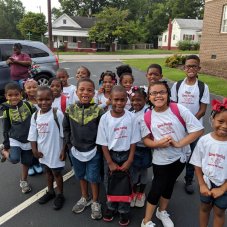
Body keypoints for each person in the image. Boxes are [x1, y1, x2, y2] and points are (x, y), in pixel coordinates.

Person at [140, 81, 204, 227]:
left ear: (168, 94)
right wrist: (158, 144)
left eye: (161, 92)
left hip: (180, 157)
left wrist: (179, 143)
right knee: (157, 188)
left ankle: (161, 211)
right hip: (161, 160)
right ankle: (146, 221)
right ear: (149, 97)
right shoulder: (147, 117)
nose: (158, 96)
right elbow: (146, 141)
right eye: (154, 93)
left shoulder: (178, 109)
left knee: (169, 185)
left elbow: (198, 129)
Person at [96, 85, 140, 226]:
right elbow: (103, 143)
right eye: (116, 100)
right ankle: (111, 207)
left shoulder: (131, 117)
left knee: (126, 183)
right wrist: (109, 162)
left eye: (122, 100)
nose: (119, 103)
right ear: (110, 99)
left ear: (127, 99)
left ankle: (123, 210)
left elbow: (133, 140)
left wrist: (130, 159)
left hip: (127, 155)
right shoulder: (104, 118)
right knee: (109, 182)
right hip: (111, 155)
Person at [63, 78, 104, 220]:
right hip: (75, 150)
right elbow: (66, 128)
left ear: (94, 93)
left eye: (89, 90)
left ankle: (95, 201)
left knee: (93, 177)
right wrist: (69, 144)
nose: (85, 92)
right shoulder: (70, 109)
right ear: (76, 92)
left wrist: (99, 148)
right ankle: (84, 197)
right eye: (82, 89)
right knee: (80, 175)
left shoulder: (99, 110)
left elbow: (103, 131)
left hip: (93, 151)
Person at [171, 55, 210, 194]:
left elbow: (203, 110)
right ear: (184, 68)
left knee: (193, 154)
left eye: (194, 66)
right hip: (179, 126)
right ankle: (173, 175)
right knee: (176, 151)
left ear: (199, 68)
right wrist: (181, 122)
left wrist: (190, 122)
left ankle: (189, 179)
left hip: (194, 128)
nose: (191, 68)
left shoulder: (202, 87)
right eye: (188, 66)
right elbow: (173, 106)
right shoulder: (178, 85)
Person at [190, 98, 227, 227]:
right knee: (204, 208)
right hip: (206, 182)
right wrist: (202, 184)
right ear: (212, 120)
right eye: (221, 121)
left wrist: (222, 188)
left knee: (219, 212)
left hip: (224, 185)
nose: (224, 126)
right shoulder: (204, 140)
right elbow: (197, 163)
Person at [28, 86, 66, 210]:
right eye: (40, 99)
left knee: (57, 173)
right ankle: (50, 192)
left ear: (53, 99)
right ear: (35, 99)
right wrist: (34, 150)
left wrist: (63, 150)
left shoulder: (57, 114)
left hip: (56, 151)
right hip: (43, 152)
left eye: (47, 99)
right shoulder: (35, 116)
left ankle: (60, 195)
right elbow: (33, 135)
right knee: (47, 172)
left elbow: (64, 134)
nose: (44, 102)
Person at [0, 82, 35, 193]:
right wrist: (6, 145)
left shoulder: (29, 105)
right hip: (15, 139)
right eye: (10, 95)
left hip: (29, 139)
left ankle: (23, 181)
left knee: (26, 162)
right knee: (14, 159)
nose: (13, 97)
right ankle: (3, 151)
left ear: (21, 94)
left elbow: (37, 119)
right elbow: (5, 129)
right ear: (6, 96)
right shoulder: (6, 111)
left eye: (16, 94)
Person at [129, 86, 151, 208]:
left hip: (145, 148)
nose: (135, 103)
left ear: (145, 99)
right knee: (133, 172)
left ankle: (141, 193)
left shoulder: (148, 113)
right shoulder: (130, 113)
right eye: (133, 100)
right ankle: (133, 192)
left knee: (142, 171)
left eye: (139, 100)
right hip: (133, 148)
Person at [24, 79, 43, 176]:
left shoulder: (42, 100)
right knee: (29, 148)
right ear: (25, 90)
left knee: (38, 146)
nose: (32, 89)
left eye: (34, 87)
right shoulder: (24, 103)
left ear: (38, 87)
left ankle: (38, 162)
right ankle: (31, 164)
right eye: (29, 88)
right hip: (29, 130)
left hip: (41, 129)